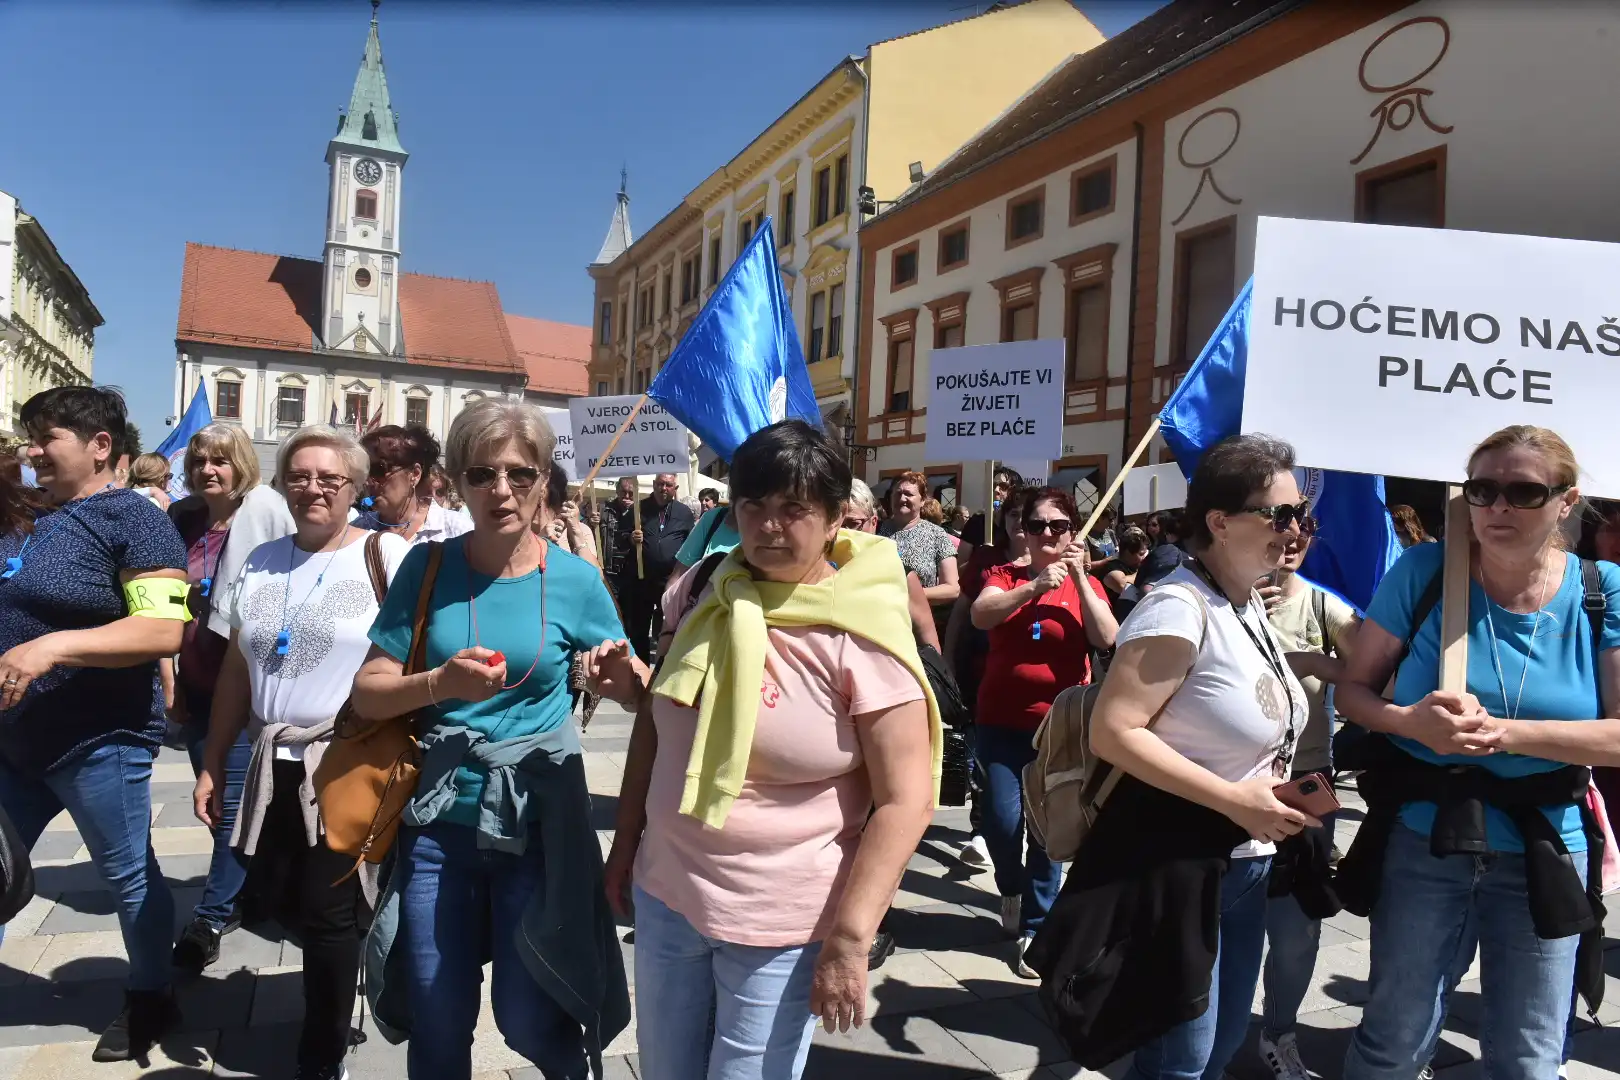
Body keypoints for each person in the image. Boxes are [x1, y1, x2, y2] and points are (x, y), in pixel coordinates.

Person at [594, 420, 937, 1080]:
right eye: (753, 505)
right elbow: (661, 726)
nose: (770, 526)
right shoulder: (706, 588)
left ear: (834, 518)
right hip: (668, 896)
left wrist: (851, 937)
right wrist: (625, 842)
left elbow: (907, 799)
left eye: (794, 508)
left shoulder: (862, 633)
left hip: (782, 924)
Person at [353, 401, 629, 1080]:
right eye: (482, 474)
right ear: (455, 481)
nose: (502, 490)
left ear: (542, 481)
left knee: (527, 1016)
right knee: (437, 1015)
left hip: (536, 829)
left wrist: (622, 679)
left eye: (519, 474)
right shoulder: (427, 569)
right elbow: (368, 692)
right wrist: (438, 683)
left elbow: (634, 684)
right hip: (439, 828)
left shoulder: (575, 579)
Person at [1335, 425, 1620, 1080]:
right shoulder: (1425, 571)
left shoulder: (1602, 589)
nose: (1498, 506)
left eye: (1524, 491)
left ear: (1566, 501)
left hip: (1545, 844)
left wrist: (1502, 734)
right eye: (1483, 489)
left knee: (1528, 1056)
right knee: (1394, 1041)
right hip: (1425, 839)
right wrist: (1410, 724)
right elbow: (1353, 690)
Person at [1087, 433, 1314, 1080]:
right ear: (1219, 520)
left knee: (1220, 1046)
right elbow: (1113, 732)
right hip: (1179, 863)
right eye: (1280, 514)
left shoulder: (1244, 603)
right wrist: (1233, 798)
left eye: (1302, 514)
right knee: (1178, 1062)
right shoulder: (1176, 608)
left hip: (1244, 864)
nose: (1295, 529)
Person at [191, 426, 409, 1080]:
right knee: (275, 895)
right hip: (269, 760)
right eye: (299, 476)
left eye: (329, 478)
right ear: (282, 483)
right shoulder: (261, 559)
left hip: (347, 759)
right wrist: (213, 758)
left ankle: (321, 1055)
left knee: (327, 912)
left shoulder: (385, 553)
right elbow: (236, 669)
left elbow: (415, 649)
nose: (313, 488)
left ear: (355, 486)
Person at [0, 386, 189, 1062]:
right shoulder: (39, 517)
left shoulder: (133, 519)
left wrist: (51, 647)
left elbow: (162, 629)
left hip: (97, 739)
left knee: (128, 877)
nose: (32, 452)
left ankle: (151, 993)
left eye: (46, 437)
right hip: (18, 740)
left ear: (100, 445)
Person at [970, 486, 1117, 976]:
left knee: (1048, 826)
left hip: (1059, 729)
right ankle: (1010, 886)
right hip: (1001, 721)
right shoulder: (1004, 575)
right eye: (1037, 525)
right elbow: (981, 614)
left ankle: (1037, 924)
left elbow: (1108, 637)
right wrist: (1033, 587)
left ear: (1073, 532)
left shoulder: (1084, 582)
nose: (1048, 534)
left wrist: (1078, 578)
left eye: (1059, 526)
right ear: (1023, 532)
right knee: (1002, 820)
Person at [168, 422, 297, 973]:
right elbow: (160, 600)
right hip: (196, 679)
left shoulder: (264, 511)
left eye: (219, 460)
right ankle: (250, 890)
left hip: (246, 684)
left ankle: (212, 916)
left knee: (229, 802)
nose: (207, 470)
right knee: (216, 796)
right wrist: (170, 679)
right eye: (199, 460)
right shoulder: (183, 518)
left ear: (241, 463)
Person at [1254, 531, 1359, 1080]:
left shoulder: (1322, 605)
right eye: (1279, 523)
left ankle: (1278, 1032)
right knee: (1223, 924)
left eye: (1303, 526)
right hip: (1229, 785)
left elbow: (1373, 667)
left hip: (1305, 785)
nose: (1291, 537)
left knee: (1297, 932)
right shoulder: (1215, 598)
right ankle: (1202, 1037)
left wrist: (1319, 660)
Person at [943, 485, 1032, 869]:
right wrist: (948, 658)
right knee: (985, 759)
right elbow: (962, 612)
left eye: (1027, 516)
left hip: (1037, 688)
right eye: (1012, 515)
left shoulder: (1057, 561)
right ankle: (983, 829)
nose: (1019, 523)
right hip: (982, 676)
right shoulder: (987, 560)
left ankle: (1021, 831)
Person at [359, 424, 472, 547]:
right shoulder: (358, 530)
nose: (368, 481)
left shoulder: (455, 530)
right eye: (364, 472)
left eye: (379, 470)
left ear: (415, 474)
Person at [624, 472, 695, 661]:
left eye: (668, 485)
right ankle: (641, 668)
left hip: (671, 580)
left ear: (675, 488)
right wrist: (631, 538)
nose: (663, 488)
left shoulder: (684, 513)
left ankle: (665, 665)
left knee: (670, 626)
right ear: (654, 484)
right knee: (639, 628)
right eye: (660, 484)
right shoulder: (638, 509)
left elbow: (691, 542)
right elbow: (620, 536)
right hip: (642, 578)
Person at [535, 465, 598, 567]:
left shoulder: (580, 530)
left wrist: (577, 536)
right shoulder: (514, 533)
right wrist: (539, 542)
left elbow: (595, 574)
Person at [1093, 526, 1151, 617]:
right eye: (1141, 554)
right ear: (1128, 552)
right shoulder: (1111, 567)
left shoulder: (1135, 566)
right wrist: (1143, 569)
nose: (1144, 558)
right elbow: (1122, 585)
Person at [602, 475, 638, 611]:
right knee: (610, 610)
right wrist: (590, 520)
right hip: (608, 572)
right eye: (624, 492)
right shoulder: (604, 510)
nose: (627, 496)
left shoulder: (640, 512)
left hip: (631, 574)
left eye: (631, 493)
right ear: (617, 490)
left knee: (629, 613)